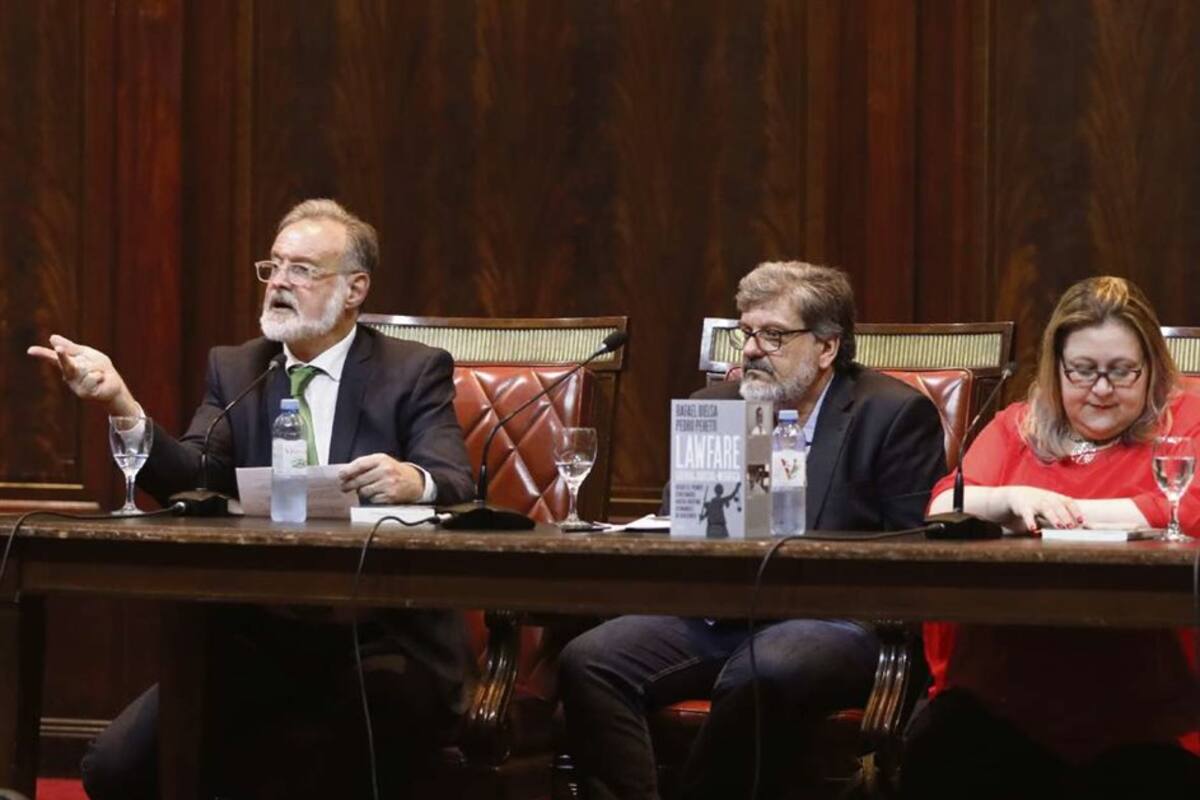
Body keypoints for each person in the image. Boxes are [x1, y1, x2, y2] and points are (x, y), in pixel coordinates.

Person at [28, 199, 476, 800]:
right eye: (274, 266)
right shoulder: (239, 369)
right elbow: (197, 477)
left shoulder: (413, 370)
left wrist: (413, 481)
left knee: (338, 758)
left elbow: (453, 479)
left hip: (381, 638)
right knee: (115, 767)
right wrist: (122, 405)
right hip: (261, 640)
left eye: (302, 270)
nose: (279, 283)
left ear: (354, 289)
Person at [558, 261, 947, 800]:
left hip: (833, 621)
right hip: (723, 613)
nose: (752, 350)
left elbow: (916, 550)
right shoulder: (720, 406)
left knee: (764, 667)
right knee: (589, 660)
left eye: (774, 335)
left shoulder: (892, 414)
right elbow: (681, 527)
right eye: (746, 333)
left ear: (827, 347)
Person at [904, 276, 1200, 799]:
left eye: (1121, 371)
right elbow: (944, 505)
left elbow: (1185, 510)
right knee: (940, 747)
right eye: (1082, 370)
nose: (1102, 389)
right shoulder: (1017, 426)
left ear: (1152, 368)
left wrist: (1058, 513)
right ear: (1056, 367)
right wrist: (1011, 498)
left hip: (1147, 701)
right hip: (1005, 693)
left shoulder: (1186, 420)